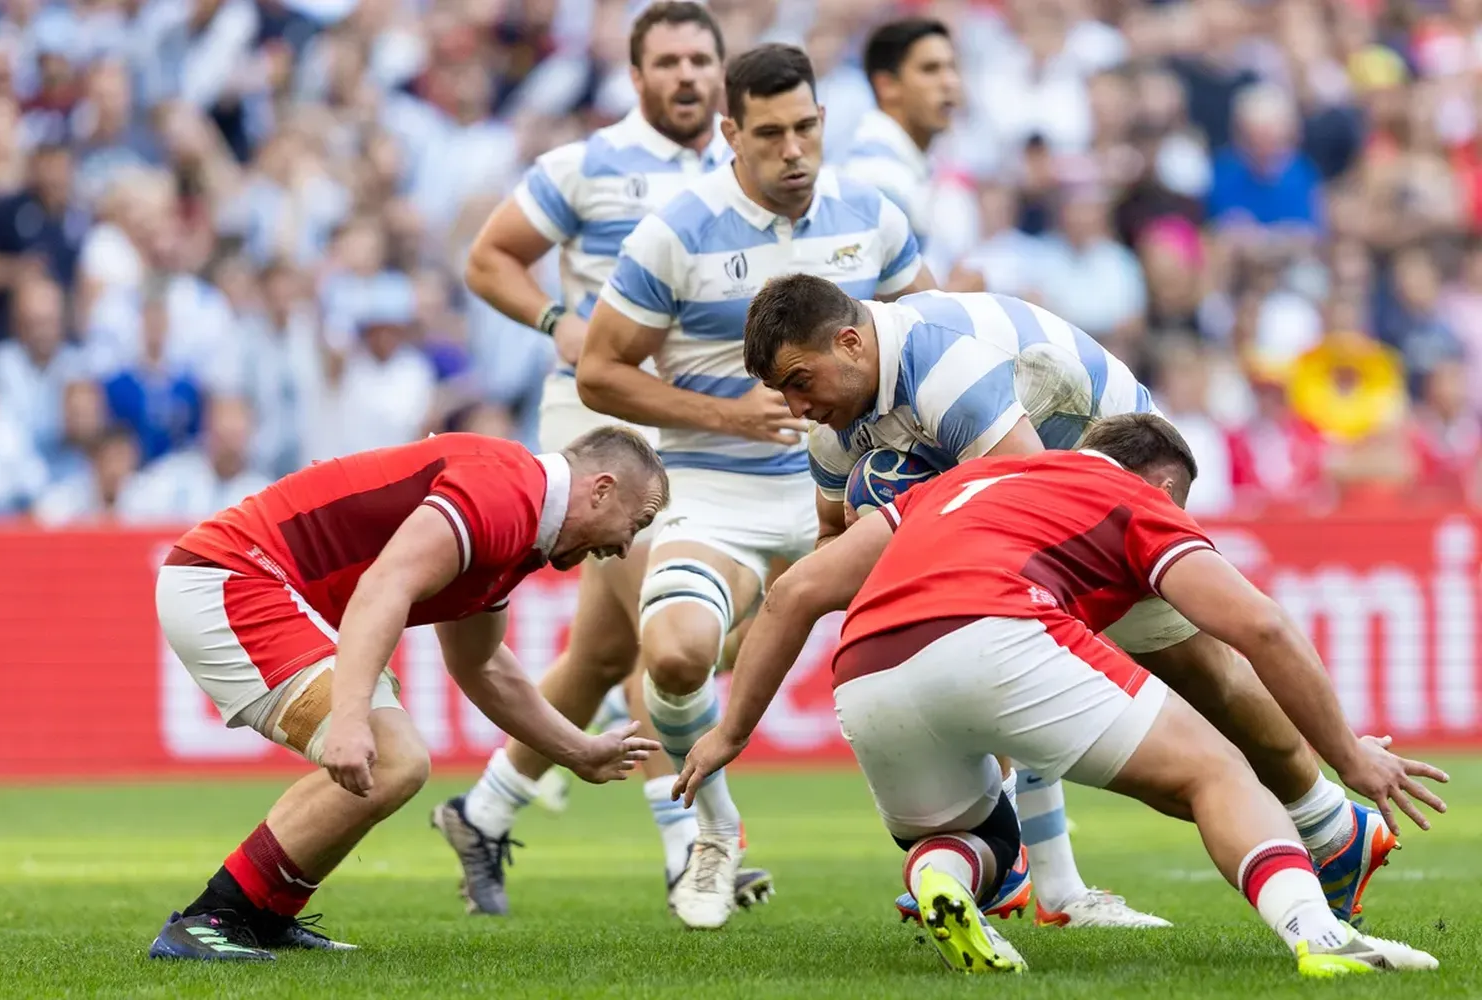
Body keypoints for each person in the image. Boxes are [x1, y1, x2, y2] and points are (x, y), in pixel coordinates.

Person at [674, 414, 1446, 978]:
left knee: (979, 838)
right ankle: (1320, 936)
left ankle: (940, 880)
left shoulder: (954, 486)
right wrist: (1347, 757)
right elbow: (1262, 629)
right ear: (1165, 485)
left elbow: (796, 594)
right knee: (1218, 773)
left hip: (869, 667)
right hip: (998, 628)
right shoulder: (1134, 498)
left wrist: (732, 731)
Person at [740, 274, 1403, 930]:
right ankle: (1040, 879)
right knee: (983, 636)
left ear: (852, 344)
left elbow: (1031, 518)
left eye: (799, 383)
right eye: (782, 391)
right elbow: (834, 540)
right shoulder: (833, 423)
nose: (796, 408)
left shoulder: (944, 366)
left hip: (1114, 466)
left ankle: (1330, 825)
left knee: (1204, 674)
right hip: (995, 501)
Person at [576, 42, 934, 929]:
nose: (793, 150)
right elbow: (597, 372)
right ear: (731, 133)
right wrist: (727, 414)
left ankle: (1038, 871)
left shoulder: (872, 216)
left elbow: (930, 333)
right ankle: (715, 829)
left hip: (855, 500)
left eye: (807, 127)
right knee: (672, 653)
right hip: (714, 489)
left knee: (970, 651)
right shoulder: (677, 229)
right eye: (769, 133)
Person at [440, 1, 774, 919]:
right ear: (635, 76)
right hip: (598, 430)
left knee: (601, 653)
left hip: (696, 431)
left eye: (701, 60)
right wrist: (560, 323)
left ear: (722, 71)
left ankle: (483, 812)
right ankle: (690, 850)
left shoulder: (745, 170)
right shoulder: (585, 165)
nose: (687, 76)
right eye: (667, 60)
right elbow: (490, 258)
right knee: (663, 622)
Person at [147, 427, 667, 962]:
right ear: (601, 489)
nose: (625, 547)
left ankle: (265, 916)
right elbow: (384, 586)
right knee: (395, 759)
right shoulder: (505, 491)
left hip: (255, 583)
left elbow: (483, 666)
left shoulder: (520, 516)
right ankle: (214, 918)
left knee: (393, 760)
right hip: (232, 579)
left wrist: (578, 750)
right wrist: (349, 720)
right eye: (638, 523)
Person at [840, 17, 961, 258]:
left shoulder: (906, 165)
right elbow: (872, 292)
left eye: (953, 67)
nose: (950, 82)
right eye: (930, 69)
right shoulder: (879, 179)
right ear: (887, 85)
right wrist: (952, 293)